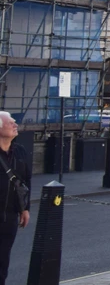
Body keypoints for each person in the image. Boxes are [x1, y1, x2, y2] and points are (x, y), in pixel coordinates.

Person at [0, 111, 31, 283]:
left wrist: (25, 209)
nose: (15, 125)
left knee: (3, 260)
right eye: (10, 123)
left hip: (9, 216)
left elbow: (26, 182)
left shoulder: (20, 151)